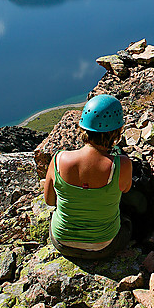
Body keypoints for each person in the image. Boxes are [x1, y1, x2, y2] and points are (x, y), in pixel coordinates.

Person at [43, 94, 133, 259]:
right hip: (105, 245)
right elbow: (126, 190)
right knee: (128, 222)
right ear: (116, 131)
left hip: (62, 243)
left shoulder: (58, 159)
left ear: (83, 128)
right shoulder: (122, 164)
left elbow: (49, 201)